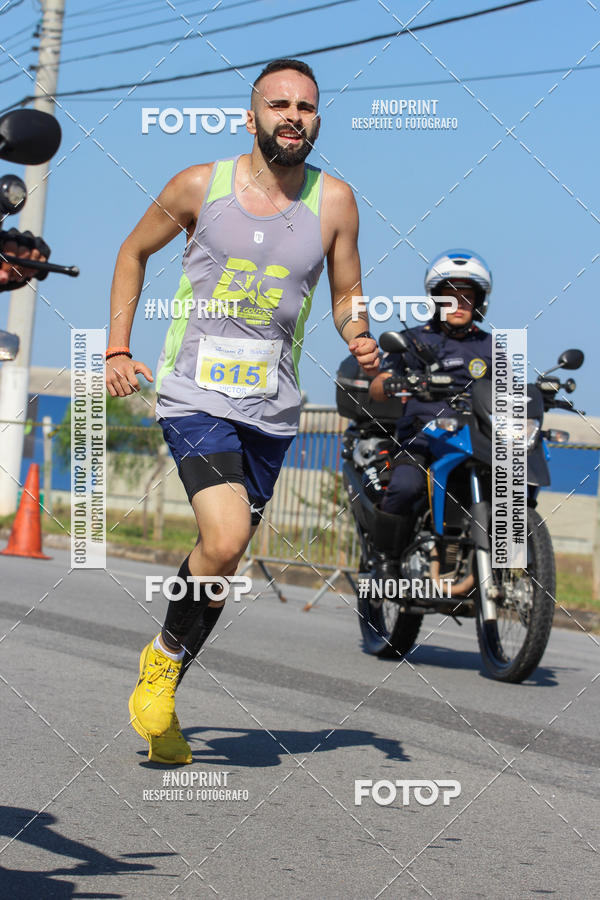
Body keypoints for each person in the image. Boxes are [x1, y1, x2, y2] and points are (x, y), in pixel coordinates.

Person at [105, 58, 379, 764]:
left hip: (272, 408)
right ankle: (163, 662)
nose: (293, 117)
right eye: (279, 104)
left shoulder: (335, 202)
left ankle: (164, 695)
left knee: (221, 567)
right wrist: (117, 348)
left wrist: (360, 335)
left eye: (306, 108)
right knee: (224, 540)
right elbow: (132, 251)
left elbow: (346, 294)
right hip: (194, 394)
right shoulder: (200, 185)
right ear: (251, 114)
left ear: (318, 121)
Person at [368, 249, 493, 577]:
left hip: (476, 440)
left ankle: (510, 567)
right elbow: (377, 386)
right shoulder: (411, 340)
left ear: (479, 302)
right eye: (450, 297)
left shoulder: (491, 346)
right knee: (406, 486)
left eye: (467, 297)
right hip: (422, 439)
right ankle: (385, 560)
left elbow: (511, 388)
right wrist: (395, 382)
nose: (458, 304)